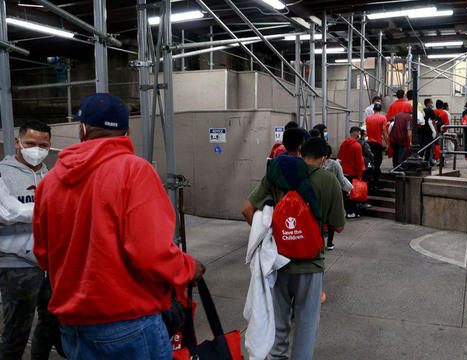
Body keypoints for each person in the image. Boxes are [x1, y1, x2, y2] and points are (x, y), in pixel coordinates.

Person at [32, 93, 206, 360]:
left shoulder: (49, 181)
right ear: (126, 131)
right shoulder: (135, 171)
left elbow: (42, 255)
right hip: (129, 323)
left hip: (72, 324)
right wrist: (189, 268)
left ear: (82, 128)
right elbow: (150, 253)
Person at [241, 137, 345, 360]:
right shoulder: (329, 181)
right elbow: (339, 225)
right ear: (324, 158)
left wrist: (268, 237)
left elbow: (247, 210)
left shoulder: (278, 173)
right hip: (311, 265)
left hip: (278, 263)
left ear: (301, 152)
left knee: (278, 326)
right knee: (306, 328)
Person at [0, 120, 57, 360]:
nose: (36, 149)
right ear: (17, 143)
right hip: (16, 264)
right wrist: (53, 208)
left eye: (43, 145)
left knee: (51, 325)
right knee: (17, 330)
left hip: (49, 265)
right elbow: (7, 213)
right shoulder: (2, 173)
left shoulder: (51, 175)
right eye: (30, 143)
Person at [322, 144, 352, 250]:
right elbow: (341, 179)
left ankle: (319, 243)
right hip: (332, 193)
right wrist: (349, 189)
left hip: (320, 193)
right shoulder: (335, 164)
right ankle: (329, 243)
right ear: (330, 154)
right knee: (331, 219)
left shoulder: (316, 164)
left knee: (319, 218)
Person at [338, 127, 365, 218]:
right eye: (359, 133)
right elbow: (359, 162)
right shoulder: (357, 146)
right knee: (351, 195)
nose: (359, 135)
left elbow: (339, 157)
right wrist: (360, 175)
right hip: (352, 173)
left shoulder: (344, 143)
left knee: (344, 194)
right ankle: (351, 212)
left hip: (343, 172)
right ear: (356, 133)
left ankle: (345, 211)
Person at [365, 102, 388, 190]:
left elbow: (367, 130)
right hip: (377, 143)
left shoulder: (368, 118)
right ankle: (376, 183)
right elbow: (385, 132)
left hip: (369, 143)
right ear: (381, 110)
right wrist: (387, 144)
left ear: (373, 109)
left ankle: (369, 183)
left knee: (370, 162)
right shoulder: (383, 118)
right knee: (377, 163)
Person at [421, 98, 437, 164]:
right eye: (431, 103)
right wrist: (435, 130)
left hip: (423, 130)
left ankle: (421, 157)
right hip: (429, 131)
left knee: (422, 145)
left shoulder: (422, 111)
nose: (432, 104)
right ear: (428, 103)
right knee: (429, 146)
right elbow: (433, 121)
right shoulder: (431, 111)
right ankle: (427, 160)